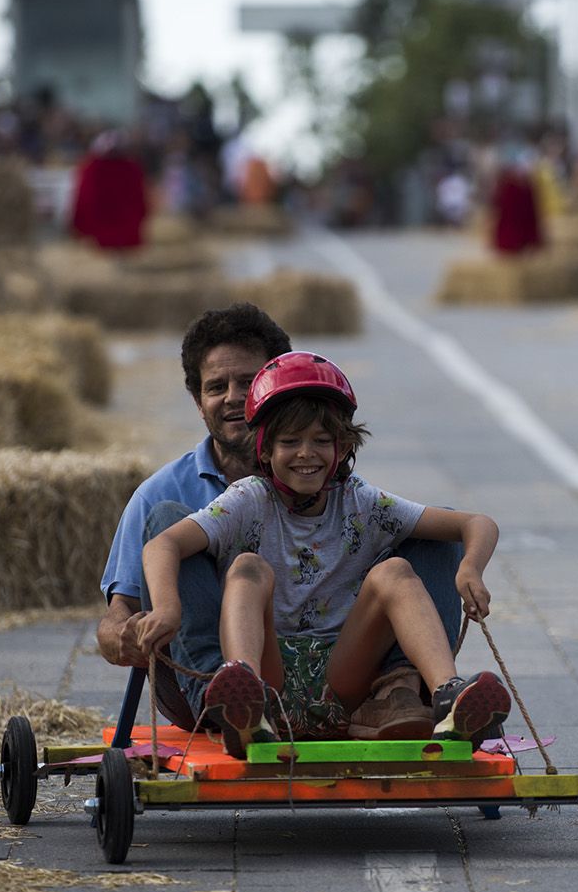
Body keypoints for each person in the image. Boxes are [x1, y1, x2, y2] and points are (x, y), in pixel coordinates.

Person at [97, 306, 466, 741]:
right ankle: (229, 700)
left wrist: (471, 568)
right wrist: (126, 634)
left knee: (431, 535)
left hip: (340, 671)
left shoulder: (346, 493)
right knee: (173, 528)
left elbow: (465, 526)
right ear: (198, 402)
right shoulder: (162, 493)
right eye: (216, 387)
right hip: (217, 675)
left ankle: (404, 693)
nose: (234, 397)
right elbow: (117, 615)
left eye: (248, 383)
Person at [134, 352, 512, 758]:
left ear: (342, 446)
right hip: (270, 677)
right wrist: (168, 609)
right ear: (264, 450)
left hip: (343, 680)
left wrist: (471, 569)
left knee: (396, 571)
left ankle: (448, 698)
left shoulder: (361, 500)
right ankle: (245, 706)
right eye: (290, 442)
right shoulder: (246, 500)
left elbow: (476, 522)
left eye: (321, 441)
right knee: (247, 567)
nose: (306, 454)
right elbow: (163, 543)